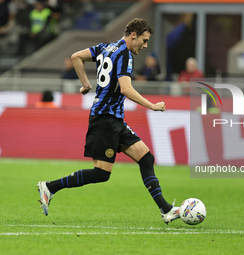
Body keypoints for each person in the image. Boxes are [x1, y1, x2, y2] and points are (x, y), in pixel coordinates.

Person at [36, 18, 180, 224]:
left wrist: (86, 85)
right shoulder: (125, 54)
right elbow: (126, 89)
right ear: (133, 35)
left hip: (113, 119)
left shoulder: (106, 47)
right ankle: (50, 187)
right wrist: (152, 105)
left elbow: (76, 57)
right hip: (105, 119)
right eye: (144, 40)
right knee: (102, 173)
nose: (145, 45)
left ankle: (166, 209)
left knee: (146, 158)